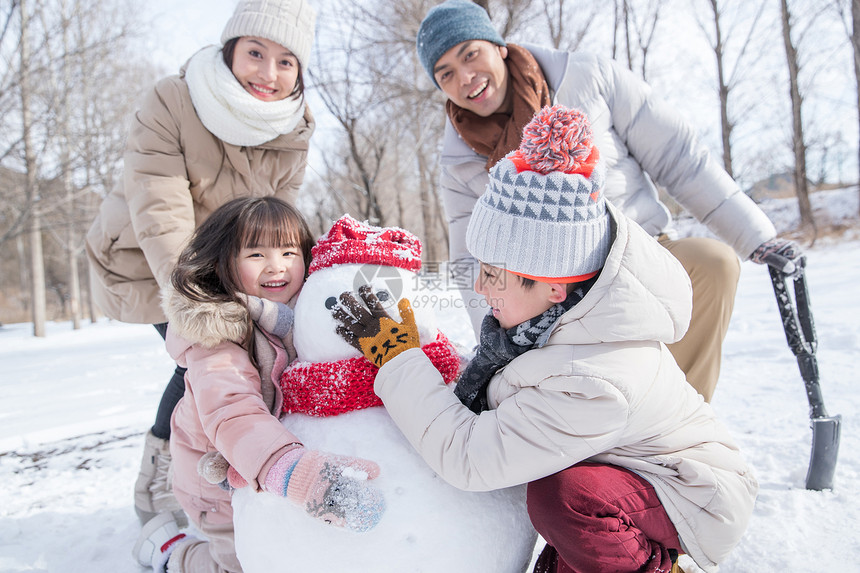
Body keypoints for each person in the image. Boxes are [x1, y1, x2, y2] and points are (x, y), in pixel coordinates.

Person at [332, 106, 758, 573]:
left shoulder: (596, 377)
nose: (479, 288)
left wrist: (400, 361)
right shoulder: (557, 317)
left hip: (690, 495)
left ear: (554, 286)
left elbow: (471, 457)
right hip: (627, 472)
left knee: (564, 501)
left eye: (495, 276)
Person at [414, 0, 804, 402]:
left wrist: (756, 237)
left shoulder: (588, 76)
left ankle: (680, 416)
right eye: (446, 74)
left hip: (641, 253)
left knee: (713, 263)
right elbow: (468, 254)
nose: (466, 77)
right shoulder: (458, 161)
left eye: (470, 54)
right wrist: (496, 338)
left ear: (499, 46)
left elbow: (678, 156)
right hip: (551, 292)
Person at [84, 0, 317, 530]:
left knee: (262, 346)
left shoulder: (294, 125)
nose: (268, 73)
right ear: (231, 49)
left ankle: (227, 453)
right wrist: (195, 297)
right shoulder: (173, 99)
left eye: (286, 62)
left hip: (232, 260)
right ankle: (162, 467)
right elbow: (159, 211)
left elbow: (278, 213)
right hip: (149, 260)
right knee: (203, 355)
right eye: (255, 53)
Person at [133, 197, 385, 573]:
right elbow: (234, 412)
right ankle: (171, 553)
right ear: (222, 263)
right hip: (217, 482)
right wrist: (296, 473)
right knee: (242, 564)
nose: (276, 266)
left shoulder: (303, 310)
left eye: (288, 251)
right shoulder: (215, 336)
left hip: (268, 460)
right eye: (255, 254)